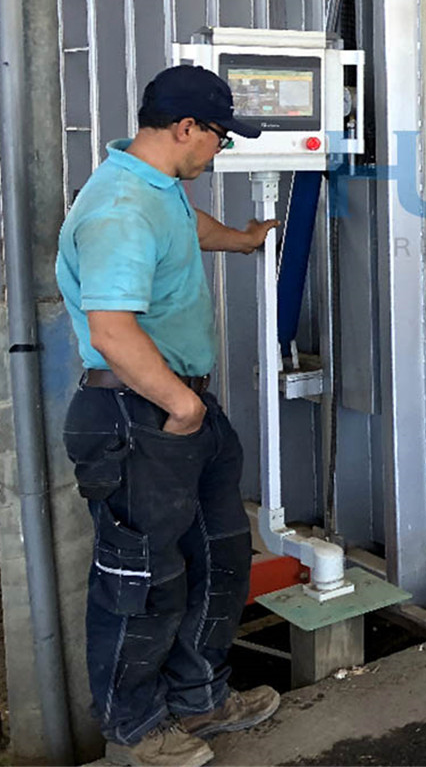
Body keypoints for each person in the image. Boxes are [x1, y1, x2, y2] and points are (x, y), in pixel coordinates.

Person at [58, 66, 282, 767]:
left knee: (219, 553)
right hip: (138, 411)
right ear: (185, 128)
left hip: (182, 404)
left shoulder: (160, 190)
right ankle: (137, 726)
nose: (220, 150)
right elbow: (112, 329)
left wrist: (244, 239)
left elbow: (186, 229)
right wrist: (181, 405)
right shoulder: (119, 208)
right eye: (219, 137)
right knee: (144, 578)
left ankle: (201, 697)